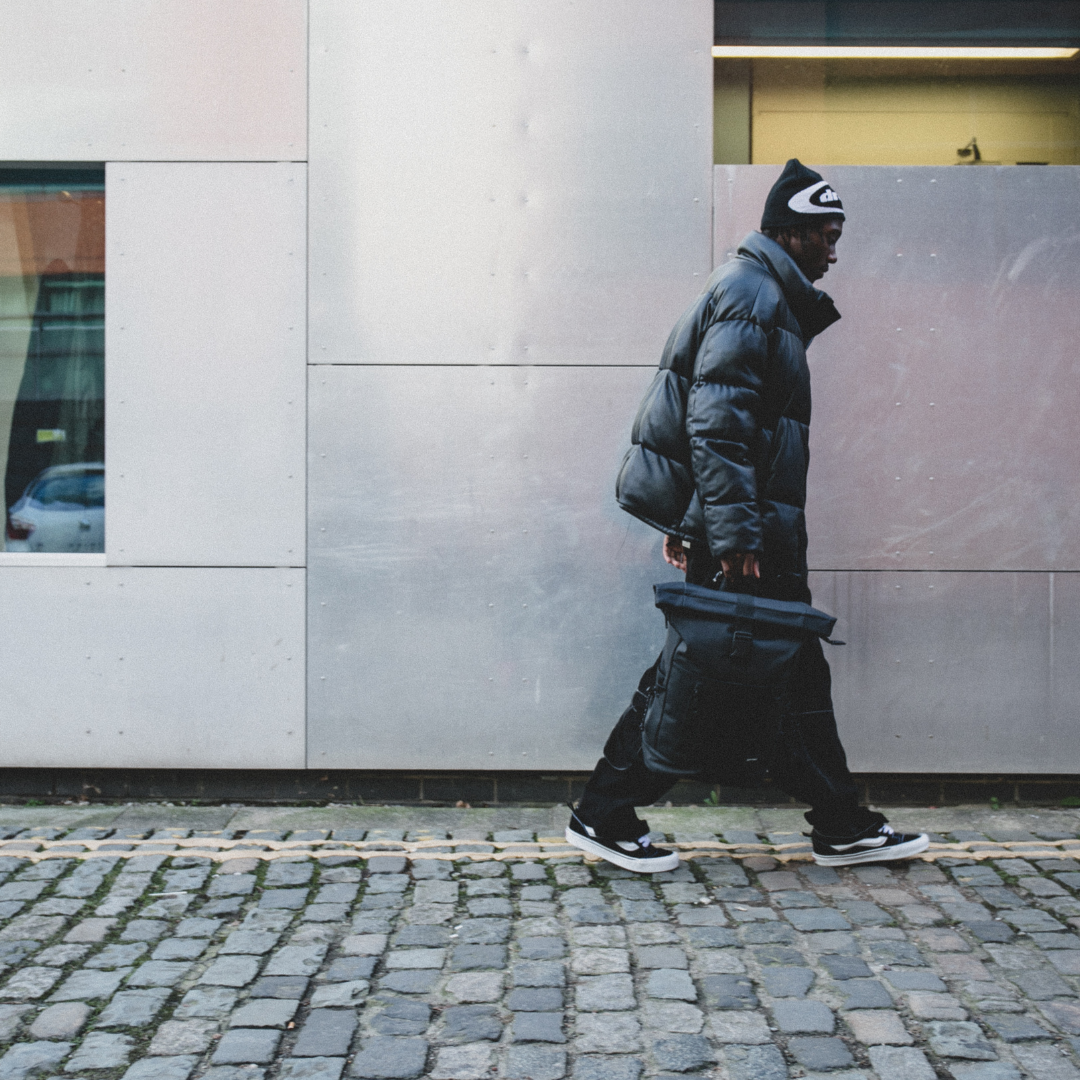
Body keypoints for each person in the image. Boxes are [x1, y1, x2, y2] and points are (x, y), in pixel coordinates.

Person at [566, 159, 929, 873]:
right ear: (791, 234)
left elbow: (722, 421)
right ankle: (605, 811)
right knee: (694, 678)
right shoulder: (752, 295)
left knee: (791, 676)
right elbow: (717, 424)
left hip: (755, 533)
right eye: (827, 234)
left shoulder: (760, 293)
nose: (835, 249)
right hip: (752, 541)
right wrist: (727, 536)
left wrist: (697, 523)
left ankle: (841, 821)